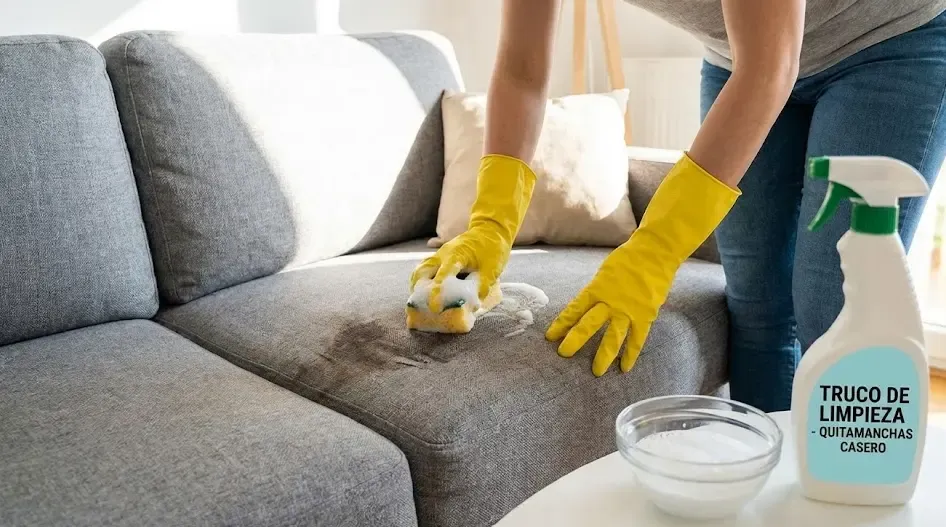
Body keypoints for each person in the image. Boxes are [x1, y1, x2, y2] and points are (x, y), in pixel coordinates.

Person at [410, 0, 946, 412]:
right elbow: (523, 69)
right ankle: (770, 487)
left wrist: (655, 250)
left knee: (835, 306)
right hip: (740, 55)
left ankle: (852, 496)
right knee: (757, 306)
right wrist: (492, 221)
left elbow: (771, 68)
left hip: (887, 42)